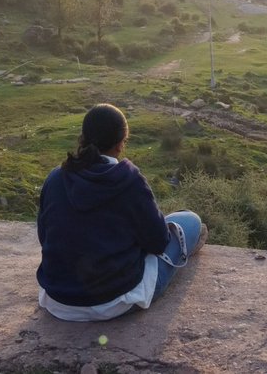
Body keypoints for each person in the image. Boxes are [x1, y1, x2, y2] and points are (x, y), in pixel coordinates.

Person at [36, 103, 206, 321]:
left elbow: (44, 236)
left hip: (58, 300)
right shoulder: (128, 180)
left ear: (83, 137)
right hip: (114, 301)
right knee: (189, 221)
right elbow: (158, 242)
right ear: (119, 144)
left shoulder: (56, 178)